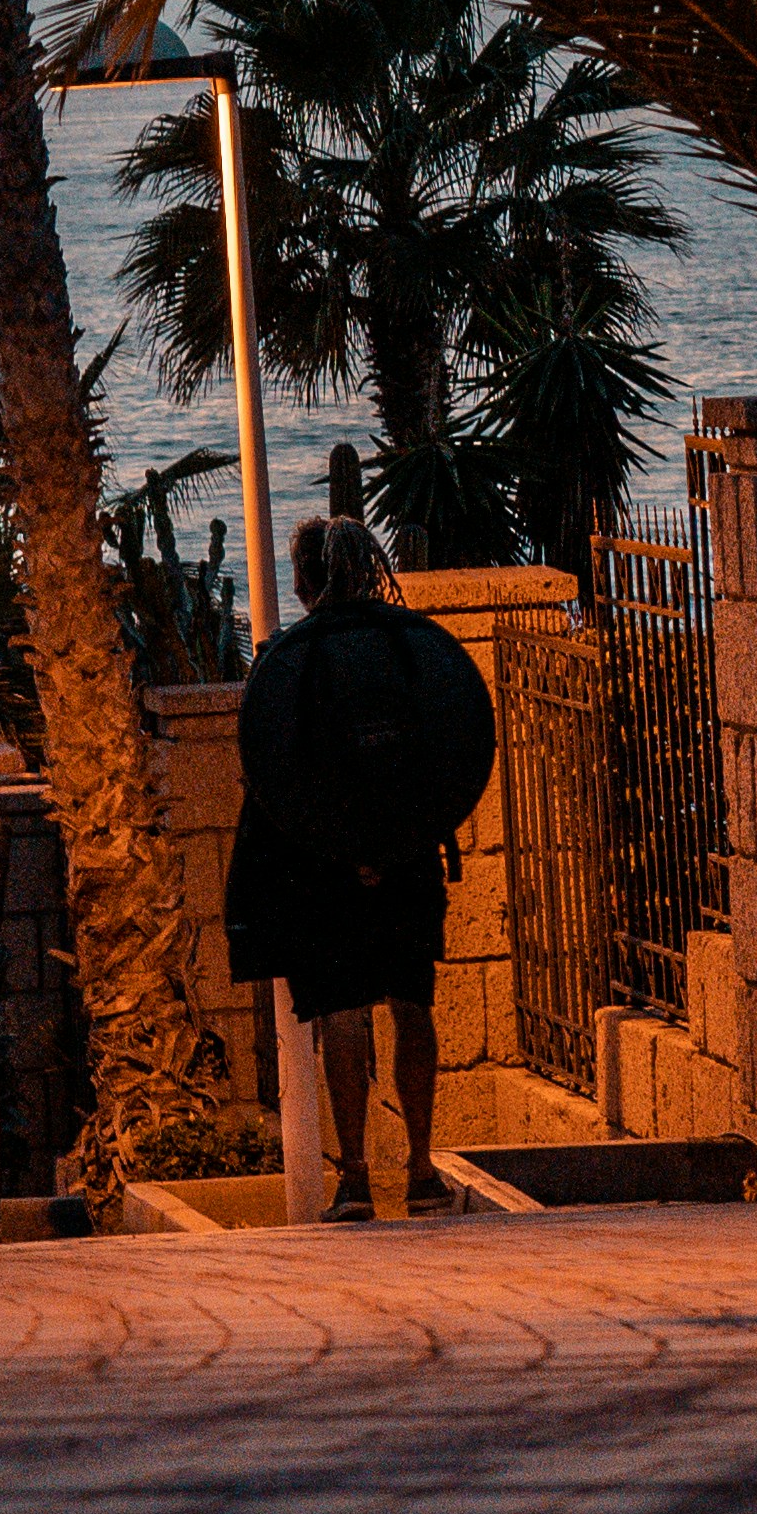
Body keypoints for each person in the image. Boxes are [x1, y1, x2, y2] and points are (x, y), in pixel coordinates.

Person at [223, 516, 497, 1221]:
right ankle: (421, 1168)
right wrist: (399, 845)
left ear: (305, 579)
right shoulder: (410, 646)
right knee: (413, 1004)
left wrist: (346, 854)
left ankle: (352, 1178)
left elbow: (274, 774)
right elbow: (453, 743)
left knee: (344, 1013)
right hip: (410, 857)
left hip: (323, 868)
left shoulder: (290, 658)